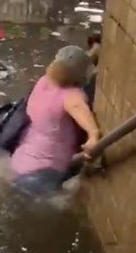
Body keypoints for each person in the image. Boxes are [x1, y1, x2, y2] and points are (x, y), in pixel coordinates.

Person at [10, 45, 100, 196]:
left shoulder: (43, 82)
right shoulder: (72, 96)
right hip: (45, 168)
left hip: (20, 161)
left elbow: (69, 65)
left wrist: (94, 52)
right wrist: (93, 136)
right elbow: (86, 119)